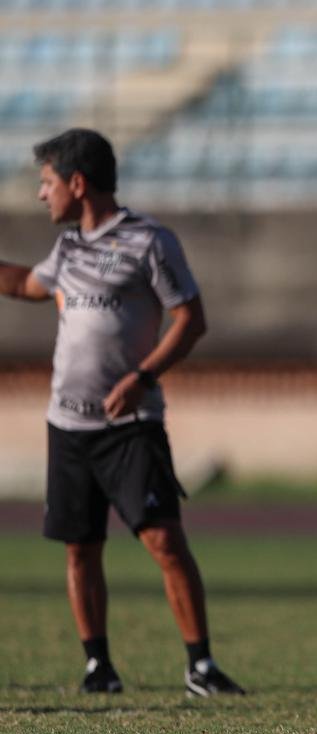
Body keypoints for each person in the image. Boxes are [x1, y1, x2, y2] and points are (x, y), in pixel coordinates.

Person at [0, 129, 244, 697]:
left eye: (47, 182)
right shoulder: (66, 251)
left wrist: (143, 378)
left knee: (164, 541)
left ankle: (200, 665)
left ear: (77, 183)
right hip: (68, 425)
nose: (42, 195)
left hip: (129, 427)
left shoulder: (149, 241)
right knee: (80, 546)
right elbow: (22, 285)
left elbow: (191, 320)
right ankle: (97, 666)